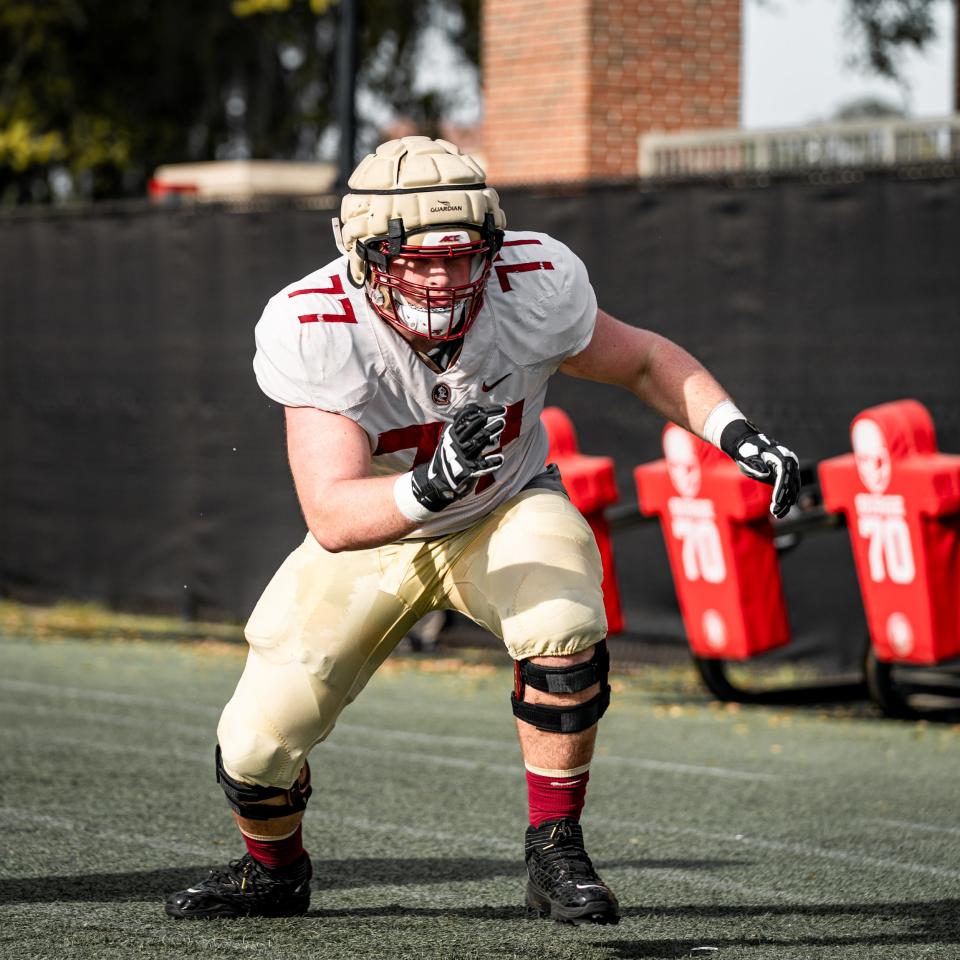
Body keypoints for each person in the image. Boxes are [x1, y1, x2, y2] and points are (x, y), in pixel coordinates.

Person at [165, 137, 800, 925]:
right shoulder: (315, 320)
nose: (442, 280)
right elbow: (331, 514)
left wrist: (735, 433)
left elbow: (640, 361)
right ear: (364, 255)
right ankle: (275, 871)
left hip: (506, 506)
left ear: (490, 249)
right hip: (378, 535)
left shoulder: (534, 282)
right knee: (256, 748)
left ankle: (555, 850)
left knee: (564, 623)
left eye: (461, 257)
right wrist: (429, 484)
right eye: (414, 259)